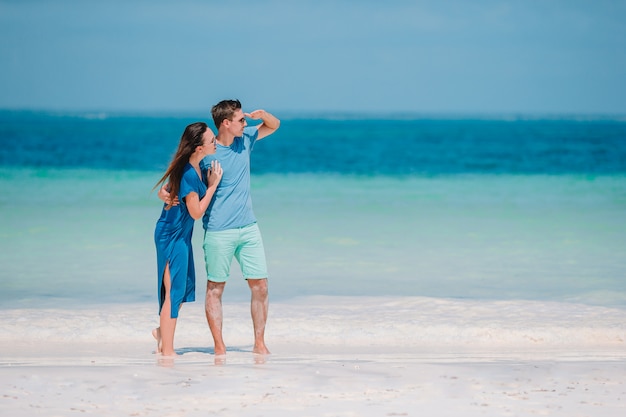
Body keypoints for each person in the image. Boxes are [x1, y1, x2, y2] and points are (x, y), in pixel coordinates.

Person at [162, 99, 280, 356]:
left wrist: (264, 114)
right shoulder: (207, 152)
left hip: (249, 228)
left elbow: (274, 125)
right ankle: (219, 346)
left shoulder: (246, 139)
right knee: (215, 288)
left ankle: (259, 343)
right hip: (217, 230)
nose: (245, 122)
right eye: (240, 119)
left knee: (261, 285)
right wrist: (165, 194)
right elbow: (179, 180)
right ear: (226, 123)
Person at [152, 122, 223, 356]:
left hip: (181, 235)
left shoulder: (195, 166)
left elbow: (167, 189)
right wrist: (212, 186)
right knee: (174, 292)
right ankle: (168, 352)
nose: (216, 142)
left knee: (181, 290)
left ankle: (162, 333)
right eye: (212, 140)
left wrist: (165, 193)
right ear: (198, 148)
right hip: (171, 236)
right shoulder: (189, 174)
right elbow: (195, 212)